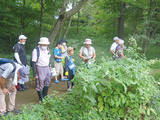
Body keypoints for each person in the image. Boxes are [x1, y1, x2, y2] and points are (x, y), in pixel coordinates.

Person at [31, 37, 52, 102]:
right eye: (44, 45)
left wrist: (50, 65)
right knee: (40, 83)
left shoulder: (47, 49)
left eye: (46, 45)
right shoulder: (36, 50)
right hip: (40, 67)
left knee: (48, 81)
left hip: (47, 67)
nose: (45, 46)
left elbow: (48, 58)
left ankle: (45, 95)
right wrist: (34, 73)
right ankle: (41, 98)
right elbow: (33, 62)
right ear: (40, 44)